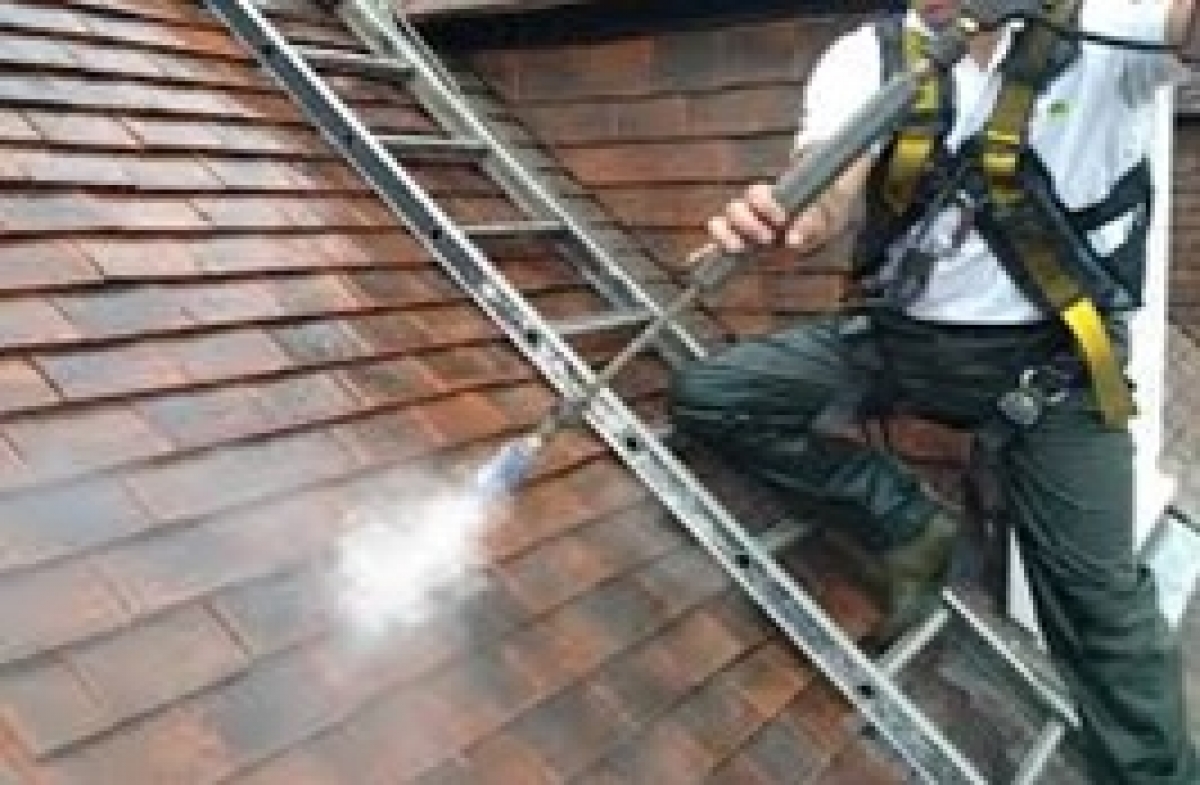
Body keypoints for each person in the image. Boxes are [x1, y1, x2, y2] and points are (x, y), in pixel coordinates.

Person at [669, 0, 1200, 782]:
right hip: (900, 344)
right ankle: (903, 519)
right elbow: (830, 183)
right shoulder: (867, 56)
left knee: (1101, 609)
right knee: (714, 395)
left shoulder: (1107, 25)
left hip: (1054, 368)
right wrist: (791, 218)